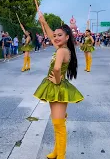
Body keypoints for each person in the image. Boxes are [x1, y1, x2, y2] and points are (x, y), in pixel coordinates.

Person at [34, 12, 84, 159]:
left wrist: (56, 80)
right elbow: (50, 35)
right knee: (57, 121)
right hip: (56, 87)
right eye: (55, 35)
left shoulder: (62, 50)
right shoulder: (62, 48)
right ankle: (57, 151)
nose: (55, 37)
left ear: (67, 37)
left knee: (58, 123)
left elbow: (56, 69)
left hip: (58, 87)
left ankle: (61, 155)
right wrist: (44, 22)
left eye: (59, 35)